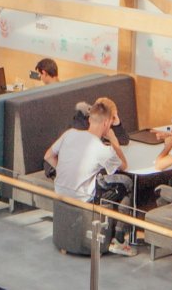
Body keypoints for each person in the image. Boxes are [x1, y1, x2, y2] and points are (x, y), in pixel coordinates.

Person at [44, 97, 136, 257]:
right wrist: (114, 140)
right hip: (84, 197)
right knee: (126, 183)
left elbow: (48, 156)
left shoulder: (69, 134)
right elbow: (124, 165)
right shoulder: (102, 149)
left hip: (60, 190)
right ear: (107, 123)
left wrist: (64, 171)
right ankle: (119, 240)